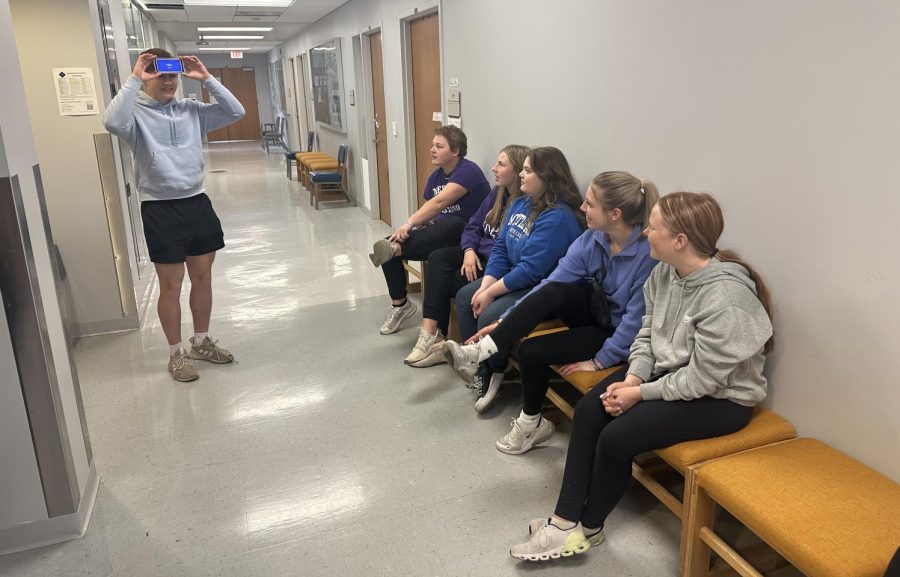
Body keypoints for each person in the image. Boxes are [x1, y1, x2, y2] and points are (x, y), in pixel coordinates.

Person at [508, 191, 775, 562]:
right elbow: (647, 335)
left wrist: (640, 394)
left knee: (618, 437)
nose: (645, 231)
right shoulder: (665, 272)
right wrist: (633, 378)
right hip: (668, 377)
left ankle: (588, 526)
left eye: (654, 227)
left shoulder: (725, 297)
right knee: (589, 410)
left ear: (679, 241)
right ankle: (564, 522)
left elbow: (703, 381)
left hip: (722, 399)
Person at [444, 171, 659, 422]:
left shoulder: (647, 256)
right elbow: (551, 284)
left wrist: (601, 361)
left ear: (615, 214)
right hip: (591, 316)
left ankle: (529, 424)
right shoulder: (592, 239)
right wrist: (504, 321)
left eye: (590, 203)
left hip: (615, 336)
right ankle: (484, 349)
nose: (582, 207)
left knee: (530, 352)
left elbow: (634, 323)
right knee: (556, 289)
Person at [103, 49, 245, 382]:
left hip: (197, 202)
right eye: (158, 74)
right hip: (160, 207)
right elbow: (111, 121)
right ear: (145, 77)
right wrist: (135, 76)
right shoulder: (134, 114)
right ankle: (175, 354)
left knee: (203, 277)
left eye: (172, 75)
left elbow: (236, 111)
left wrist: (206, 78)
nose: (167, 81)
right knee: (171, 285)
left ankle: (201, 342)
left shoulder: (192, 110)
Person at [449, 147, 585, 386]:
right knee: (466, 296)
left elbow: (531, 270)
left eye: (528, 170)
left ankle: (495, 370)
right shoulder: (521, 202)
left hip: (538, 288)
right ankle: (482, 364)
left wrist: (490, 293)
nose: (521, 174)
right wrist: (486, 285)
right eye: (522, 169)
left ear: (547, 177)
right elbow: (500, 247)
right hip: (513, 275)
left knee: (488, 313)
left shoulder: (558, 217)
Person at [403, 145, 530, 367]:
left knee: (441, 281)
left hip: (494, 265)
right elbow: (472, 226)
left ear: (517, 170)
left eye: (501, 164)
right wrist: (469, 250)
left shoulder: (523, 205)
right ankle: (431, 333)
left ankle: (438, 338)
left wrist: (477, 255)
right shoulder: (496, 193)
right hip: (477, 255)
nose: (494, 168)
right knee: (438, 258)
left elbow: (507, 250)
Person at [369, 126, 491, 335]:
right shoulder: (435, 177)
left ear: (455, 151)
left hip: (468, 237)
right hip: (443, 235)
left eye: (439, 146)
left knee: (451, 223)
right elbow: (431, 213)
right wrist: (418, 226)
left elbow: (439, 202)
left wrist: (409, 224)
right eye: (433, 145)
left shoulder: (468, 171)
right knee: (389, 241)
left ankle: (395, 249)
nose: (432, 149)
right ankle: (400, 305)